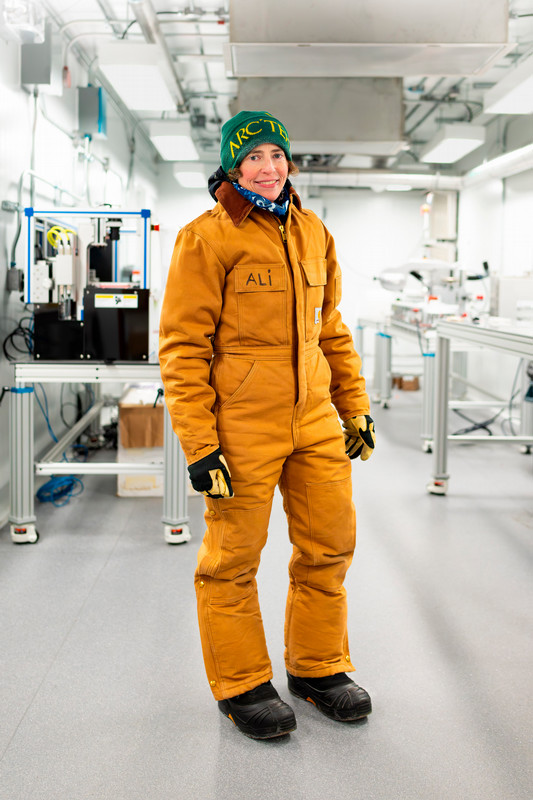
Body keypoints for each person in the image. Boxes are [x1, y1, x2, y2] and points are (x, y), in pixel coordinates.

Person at [159, 110, 376, 740]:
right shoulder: (207, 238)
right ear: (232, 165)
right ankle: (242, 682)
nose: (270, 168)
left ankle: (318, 667)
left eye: (277, 155)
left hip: (313, 422)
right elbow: (182, 347)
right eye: (255, 157)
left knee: (328, 546)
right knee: (231, 561)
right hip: (242, 427)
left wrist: (353, 404)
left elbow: (328, 327)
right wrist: (200, 446)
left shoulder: (312, 231)